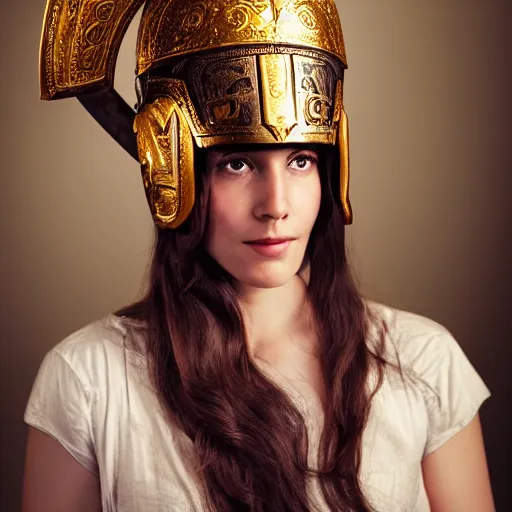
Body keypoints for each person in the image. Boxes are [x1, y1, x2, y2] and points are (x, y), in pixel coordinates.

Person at [22, 0, 494, 511]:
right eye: (238, 163)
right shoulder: (88, 379)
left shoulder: (423, 361)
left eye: (300, 160)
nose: (276, 206)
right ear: (171, 170)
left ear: (331, 169)